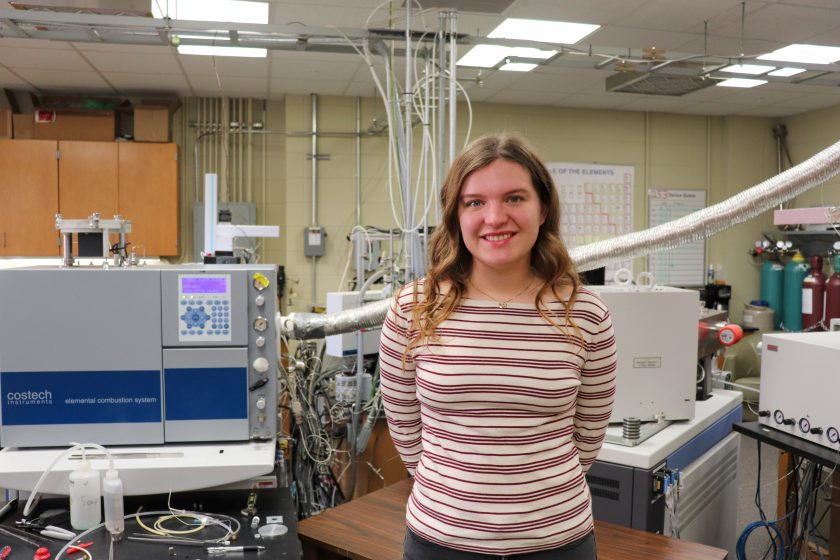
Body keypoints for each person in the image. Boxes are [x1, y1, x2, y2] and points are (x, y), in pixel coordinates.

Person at [378, 134, 617, 560]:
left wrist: (530, 506)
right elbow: (405, 430)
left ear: (542, 208)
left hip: (557, 542)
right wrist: (460, 502)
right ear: (455, 214)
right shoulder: (414, 307)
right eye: (474, 202)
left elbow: (588, 435)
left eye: (514, 198)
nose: (495, 217)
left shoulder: (585, 312)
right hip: (441, 541)